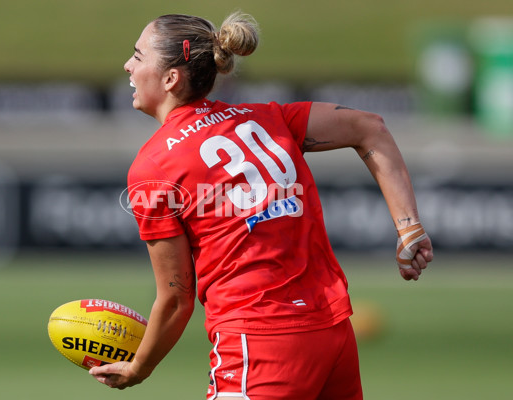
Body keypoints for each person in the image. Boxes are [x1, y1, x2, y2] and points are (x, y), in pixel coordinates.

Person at [90, 12, 433, 399]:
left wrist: (140, 366)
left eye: (138, 56)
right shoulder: (271, 119)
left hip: (259, 342)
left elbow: (175, 299)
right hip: (331, 330)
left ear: (171, 79)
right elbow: (370, 127)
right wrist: (409, 228)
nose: (128, 66)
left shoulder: (153, 166)